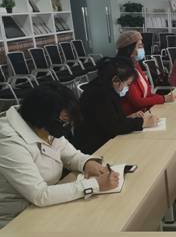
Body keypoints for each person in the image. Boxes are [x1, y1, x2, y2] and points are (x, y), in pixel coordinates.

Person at [0, 83, 119, 227]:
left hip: (43, 207)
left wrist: (87, 163)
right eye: (64, 122)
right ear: (42, 116)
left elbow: (71, 155)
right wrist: (94, 184)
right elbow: (39, 194)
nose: (67, 127)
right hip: (16, 219)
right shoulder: (8, 141)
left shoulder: (45, 126)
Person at [75, 57, 159, 154]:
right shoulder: (99, 94)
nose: (128, 88)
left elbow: (113, 118)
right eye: (128, 84)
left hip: (103, 137)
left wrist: (130, 117)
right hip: (94, 147)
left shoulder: (107, 87)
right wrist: (142, 122)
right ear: (116, 80)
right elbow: (114, 126)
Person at [115, 30, 176, 116]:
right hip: (132, 117)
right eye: (139, 46)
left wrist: (164, 98)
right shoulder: (123, 71)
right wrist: (164, 99)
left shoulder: (135, 65)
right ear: (129, 49)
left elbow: (148, 94)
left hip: (144, 112)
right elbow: (137, 102)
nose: (142, 48)